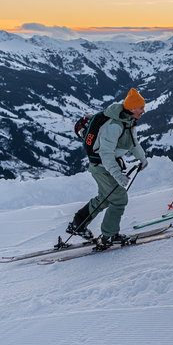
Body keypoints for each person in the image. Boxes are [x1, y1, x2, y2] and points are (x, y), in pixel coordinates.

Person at [66, 88, 149, 245]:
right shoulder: (114, 125)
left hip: (104, 166)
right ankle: (109, 236)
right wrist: (118, 174)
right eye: (140, 107)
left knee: (104, 199)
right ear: (131, 108)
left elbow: (133, 142)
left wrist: (141, 158)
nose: (143, 111)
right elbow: (105, 153)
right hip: (101, 166)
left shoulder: (128, 121)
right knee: (119, 198)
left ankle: (78, 223)